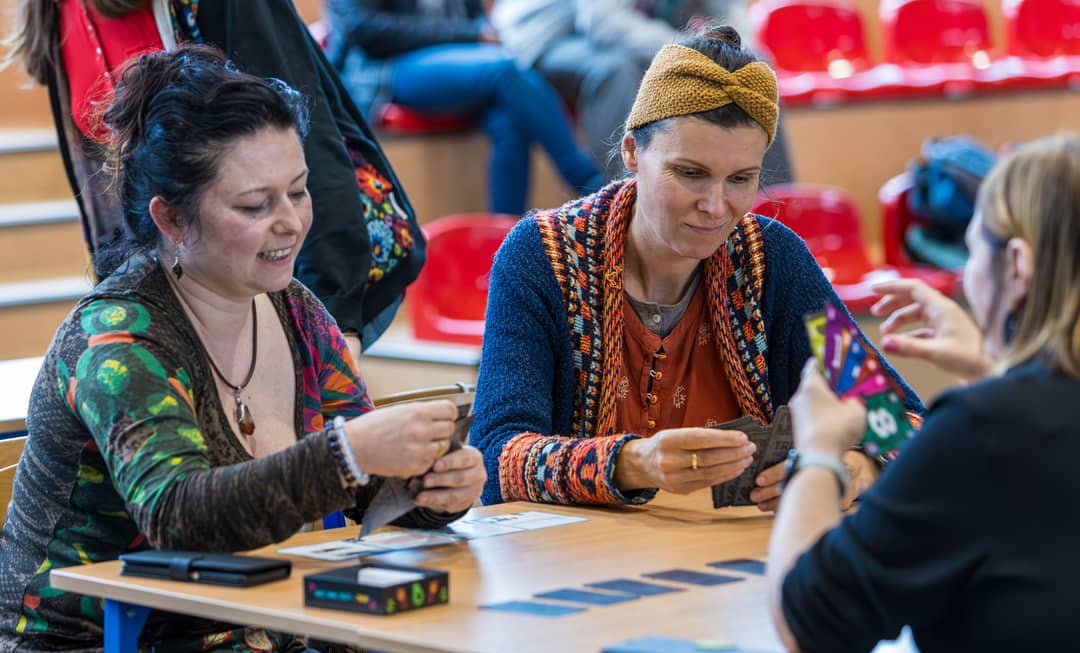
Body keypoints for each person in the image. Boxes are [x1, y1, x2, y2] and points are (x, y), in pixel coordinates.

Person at [0, 46, 486, 653]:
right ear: (172, 219)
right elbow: (178, 515)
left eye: (299, 191)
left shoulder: (299, 314)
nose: (291, 222)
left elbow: (370, 487)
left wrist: (434, 487)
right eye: (256, 204)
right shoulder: (116, 338)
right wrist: (350, 453)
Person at [468, 25, 922, 653]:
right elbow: (497, 456)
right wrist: (634, 463)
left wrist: (851, 466)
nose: (716, 206)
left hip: (729, 605)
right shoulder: (541, 256)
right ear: (631, 153)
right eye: (690, 174)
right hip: (572, 615)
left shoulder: (775, 260)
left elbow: (900, 420)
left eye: (742, 180)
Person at [769, 133, 1080, 653]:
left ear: (1017, 266)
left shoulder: (982, 427)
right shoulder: (996, 420)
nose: (964, 280)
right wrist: (994, 367)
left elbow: (808, 619)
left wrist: (818, 452)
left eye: (972, 253)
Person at [4, 0, 422, 358]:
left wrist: (334, 323)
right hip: (190, 301)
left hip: (284, 286)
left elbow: (303, 142)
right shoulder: (52, 12)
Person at [323, 0, 607, 215]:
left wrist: (478, 34)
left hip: (458, 58)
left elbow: (476, 15)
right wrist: (470, 35)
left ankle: (505, 244)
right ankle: (588, 181)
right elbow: (364, 28)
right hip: (384, 68)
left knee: (508, 118)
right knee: (505, 70)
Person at [490, 0, 794, 183]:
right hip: (547, 37)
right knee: (616, 71)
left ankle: (777, 204)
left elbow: (730, 12)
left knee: (754, 64)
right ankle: (619, 193)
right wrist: (692, 49)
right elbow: (605, 24)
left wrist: (740, 51)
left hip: (627, 39)